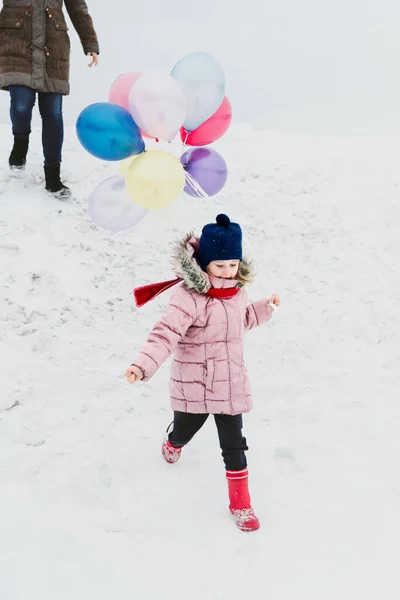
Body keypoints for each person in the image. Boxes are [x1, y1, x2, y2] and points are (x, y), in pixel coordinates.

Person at [125, 214, 281, 532]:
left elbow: (240, 322)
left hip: (229, 384)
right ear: (205, 263)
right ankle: (173, 442)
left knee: (234, 444)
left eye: (233, 264)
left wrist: (264, 308)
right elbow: (165, 332)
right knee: (185, 430)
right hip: (194, 385)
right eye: (220, 265)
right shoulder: (189, 298)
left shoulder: (237, 294)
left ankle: (241, 504)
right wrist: (142, 365)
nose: (227, 271)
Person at [0, 0, 99, 198]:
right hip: (16, 44)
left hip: (53, 48)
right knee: (21, 104)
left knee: (53, 112)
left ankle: (53, 177)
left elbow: (78, 7)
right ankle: (21, 142)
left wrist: (90, 43)